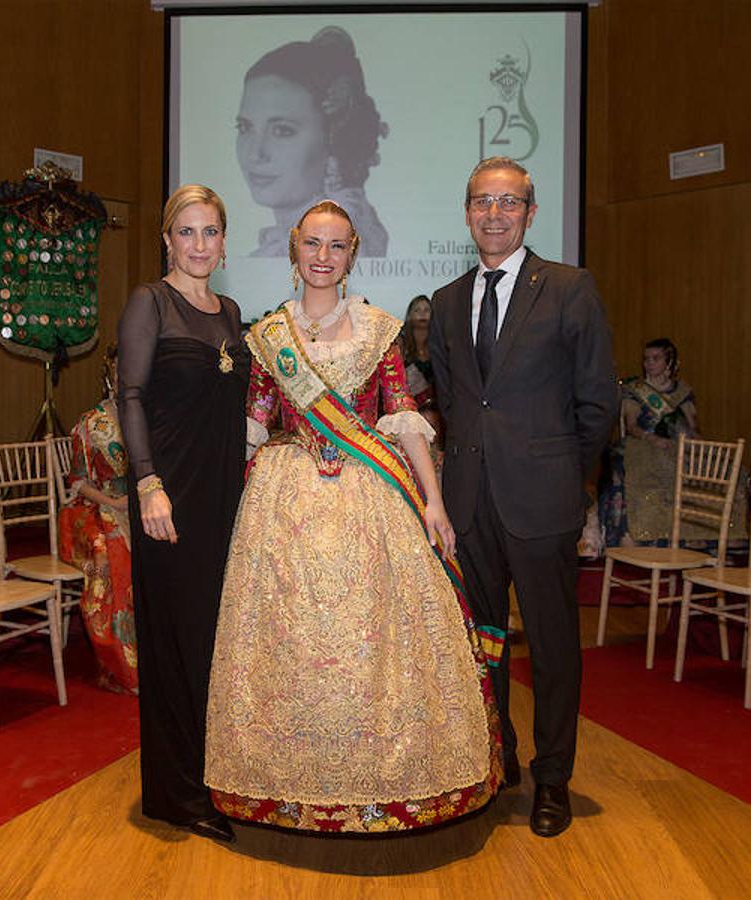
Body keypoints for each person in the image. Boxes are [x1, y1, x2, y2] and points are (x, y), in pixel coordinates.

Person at [204, 200, 499, 834]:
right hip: (283, 507)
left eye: (336, 246)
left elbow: (403, 418)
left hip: (370, 502)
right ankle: (279, 786)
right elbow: (254, 424)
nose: (322, 257)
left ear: (352, 255)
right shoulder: (269, 335)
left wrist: (434, 501)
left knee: (373, 637)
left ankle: (384, 785)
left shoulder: (378, 331)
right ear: (294, 250)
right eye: (312, 244)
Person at [428, 157, 616, 837]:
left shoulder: (569, 288)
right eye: (483, 202)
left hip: (542, 501)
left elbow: (599, 400)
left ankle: (553, 778)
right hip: (470, 501)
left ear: (531, 214)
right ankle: (498, 755)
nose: (495, 213)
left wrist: (570, 477)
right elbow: (454, 400)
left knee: (554, 646)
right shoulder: (447, 300)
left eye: (509, 203)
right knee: (483, 642)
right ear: (468, 212)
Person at [117, 185, 249, 843]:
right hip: (170, 500)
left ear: (224, 240)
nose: (200, 244)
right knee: (174, 643)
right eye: (188, 232)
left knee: (211, 642)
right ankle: (175, 795)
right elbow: (132, 396)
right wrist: (148, 484)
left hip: (222, 497)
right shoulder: (151, 302)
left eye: (211, 232)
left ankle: (209, 777)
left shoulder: (229, 311)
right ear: (168, 239)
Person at [237, 26, 388, 258]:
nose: (255, 153)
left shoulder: (346, 240)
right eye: (245, 127)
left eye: (282, 130)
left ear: (332, 138)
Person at [57, 345, 137, 694]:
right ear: (110, 375)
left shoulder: (151, 416)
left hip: (138, 506)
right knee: (112, 551)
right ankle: (120, 664)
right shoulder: (91, 424)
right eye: (120, 371)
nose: (125, 378)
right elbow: (78, 482)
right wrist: (114, 502)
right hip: (95, 509)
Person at [597, 338, 700, 548]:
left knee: (717, 469)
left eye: (656, 358)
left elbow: (692, 427)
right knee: (652, 467)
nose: (649, 363)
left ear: (669, 362)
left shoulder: (682, 391)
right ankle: (637, 536)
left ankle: (696, 538)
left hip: (675, 446)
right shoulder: (636, 390)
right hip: (643, 444)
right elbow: (632, 425)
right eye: (646, 359)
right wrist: (653, 438)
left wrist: (695, 444)